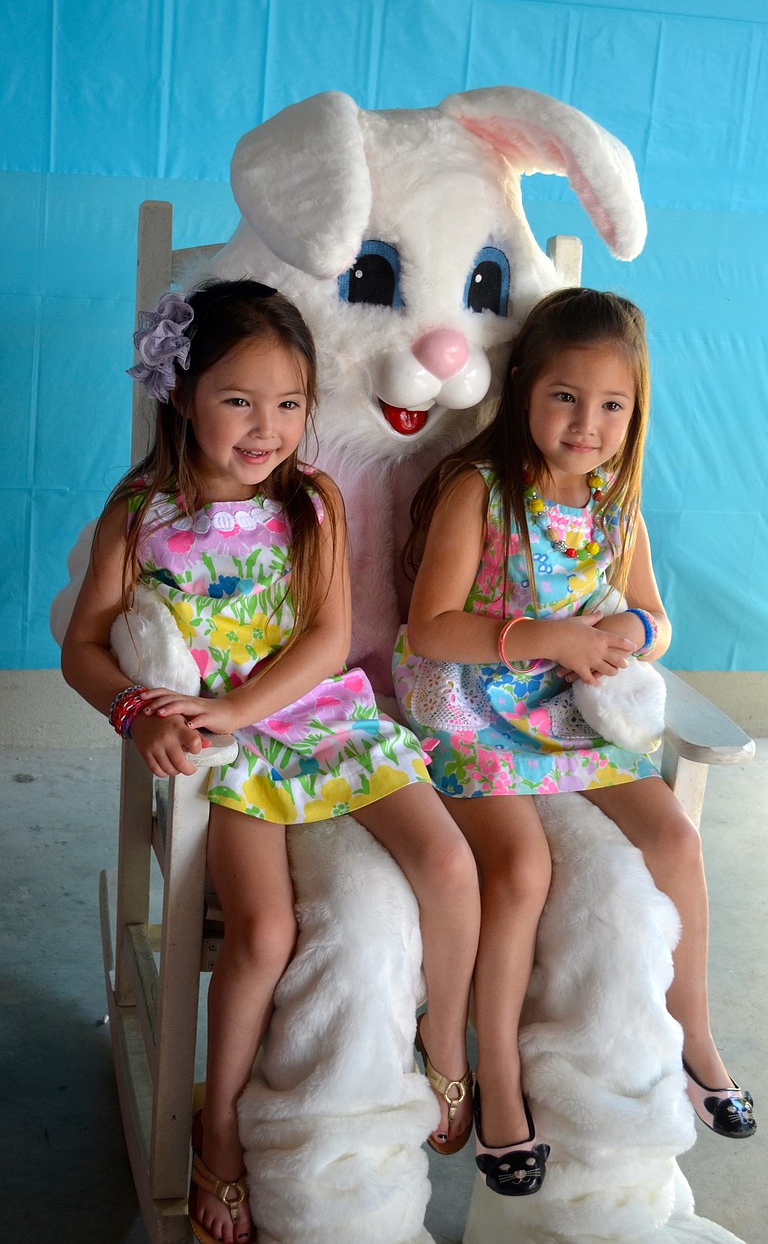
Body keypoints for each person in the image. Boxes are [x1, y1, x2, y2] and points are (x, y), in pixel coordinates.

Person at [62, 280, 480, 1244]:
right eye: (239, 400)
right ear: (183, 393)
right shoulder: (143, 515)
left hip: (326, 720)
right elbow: (82, 647)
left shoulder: (315, 504)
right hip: (233, 755)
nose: (268, 428)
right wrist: (137, 710)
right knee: (259, 934)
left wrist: (238, 702)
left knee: (450, 866)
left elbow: (329, 642)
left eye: (290, 403)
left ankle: (442, 1050)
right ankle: (220, 1131)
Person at [393, 287, 756, 1197]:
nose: (586, 423)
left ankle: (696, 1036)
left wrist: (628, 631)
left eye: (611, 405)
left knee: (674, 834)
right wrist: (545, 634)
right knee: (519, 870)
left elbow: (657, 618)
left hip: (565, 710)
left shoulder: (612, 503)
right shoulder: (479, 491)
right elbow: (432, 626)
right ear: (523, 388)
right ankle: (500, 1079)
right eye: (565, 396)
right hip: (472, 704)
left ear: (634, 412)